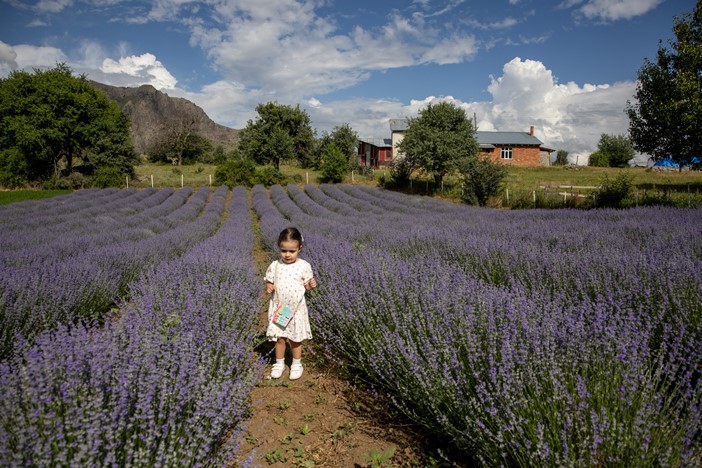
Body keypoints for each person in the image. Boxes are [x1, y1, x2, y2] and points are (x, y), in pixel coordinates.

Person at [264, 227, 317, 380]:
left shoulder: (304, 266)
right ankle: (279, 363)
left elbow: (306, 287)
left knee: (295, 338)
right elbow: (269, 280)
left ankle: (296, 364)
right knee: (280, 338)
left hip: (296, 309)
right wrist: (269, 286)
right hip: (281, 308)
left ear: (299, 248)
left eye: (292, 251)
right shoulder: (275, 265)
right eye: (284, 251)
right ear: (279, 248)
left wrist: (311, 285)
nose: (287, 255)